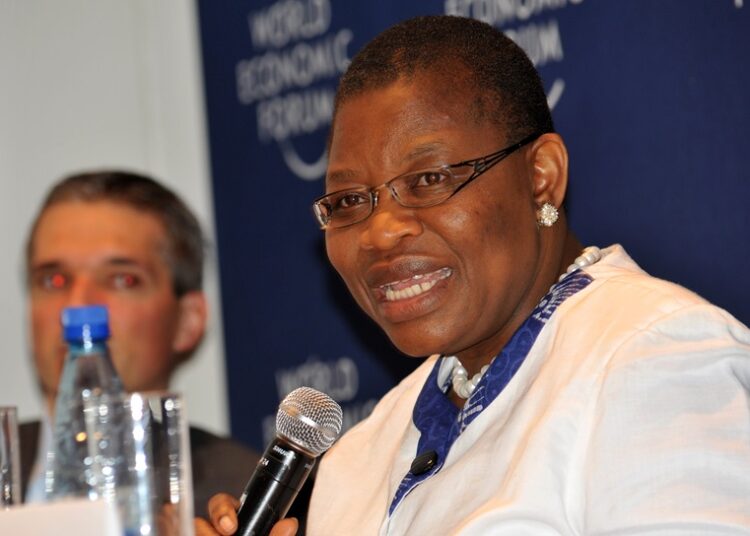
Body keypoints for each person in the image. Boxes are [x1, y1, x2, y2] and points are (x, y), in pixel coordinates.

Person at [198, 15, 750, 535]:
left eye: (429, 178)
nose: (381, 231)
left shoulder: (653, 359)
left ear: (542, 176)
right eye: (348, 200)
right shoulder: (359, 455)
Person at [20, 170, 259, 518]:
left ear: (187, 321)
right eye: (54, 279)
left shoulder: (243, 499)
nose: (78, 306)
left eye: (122, 279)